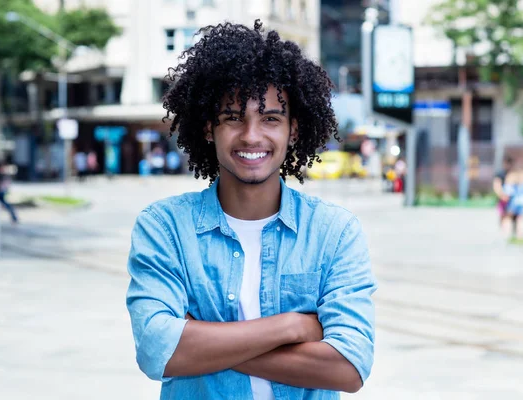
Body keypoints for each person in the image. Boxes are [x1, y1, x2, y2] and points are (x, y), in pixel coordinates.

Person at [126, 21, 377, 400]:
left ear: (294, 129)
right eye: (233, 117)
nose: (251, 135)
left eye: (271, 118)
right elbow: (156, 350)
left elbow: (349, 367)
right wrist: (291, 327)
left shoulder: (334, 231)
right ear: (209, 128)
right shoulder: (165, 227)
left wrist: (201, 343)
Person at [502, 161, 523, 239]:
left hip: (514, 200)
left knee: (508, 217)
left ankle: (507, 235)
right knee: (521, 218)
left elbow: (507, 192)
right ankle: (520, 236)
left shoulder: (510, 176)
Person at [493, 155, 513, 232]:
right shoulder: (500, 174)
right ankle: (504, 231)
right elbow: (496, 186)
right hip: (503, 198)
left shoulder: (513, 174)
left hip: (512, 198)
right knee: (503, 215)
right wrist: (502, 195)